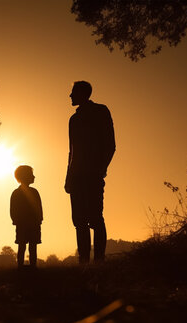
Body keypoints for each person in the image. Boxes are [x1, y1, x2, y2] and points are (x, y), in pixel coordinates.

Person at [65, 81, 115, 264]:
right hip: (77, 177)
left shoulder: (101, 111)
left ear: (81, 93)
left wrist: (101, 169)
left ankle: (99, 261)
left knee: (95, 218)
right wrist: (68, 177)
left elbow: (110, 144)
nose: (70, 96)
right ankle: (84, 262)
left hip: (92, 175)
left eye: (72, 92)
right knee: (79, 221)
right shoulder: (74, 119)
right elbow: (72, 151)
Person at [10, 165, 43, 268]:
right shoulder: (32, 192)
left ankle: (25, 266)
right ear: (25, 176)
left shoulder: (17, 193)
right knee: (27, 246)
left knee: (25, 245)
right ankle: (28, 266)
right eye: (31, 175)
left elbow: (13, 210)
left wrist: (39, 219)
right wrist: (39, 219)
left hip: (26, 224)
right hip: (28, 224)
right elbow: (39, 208)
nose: (34, 177)